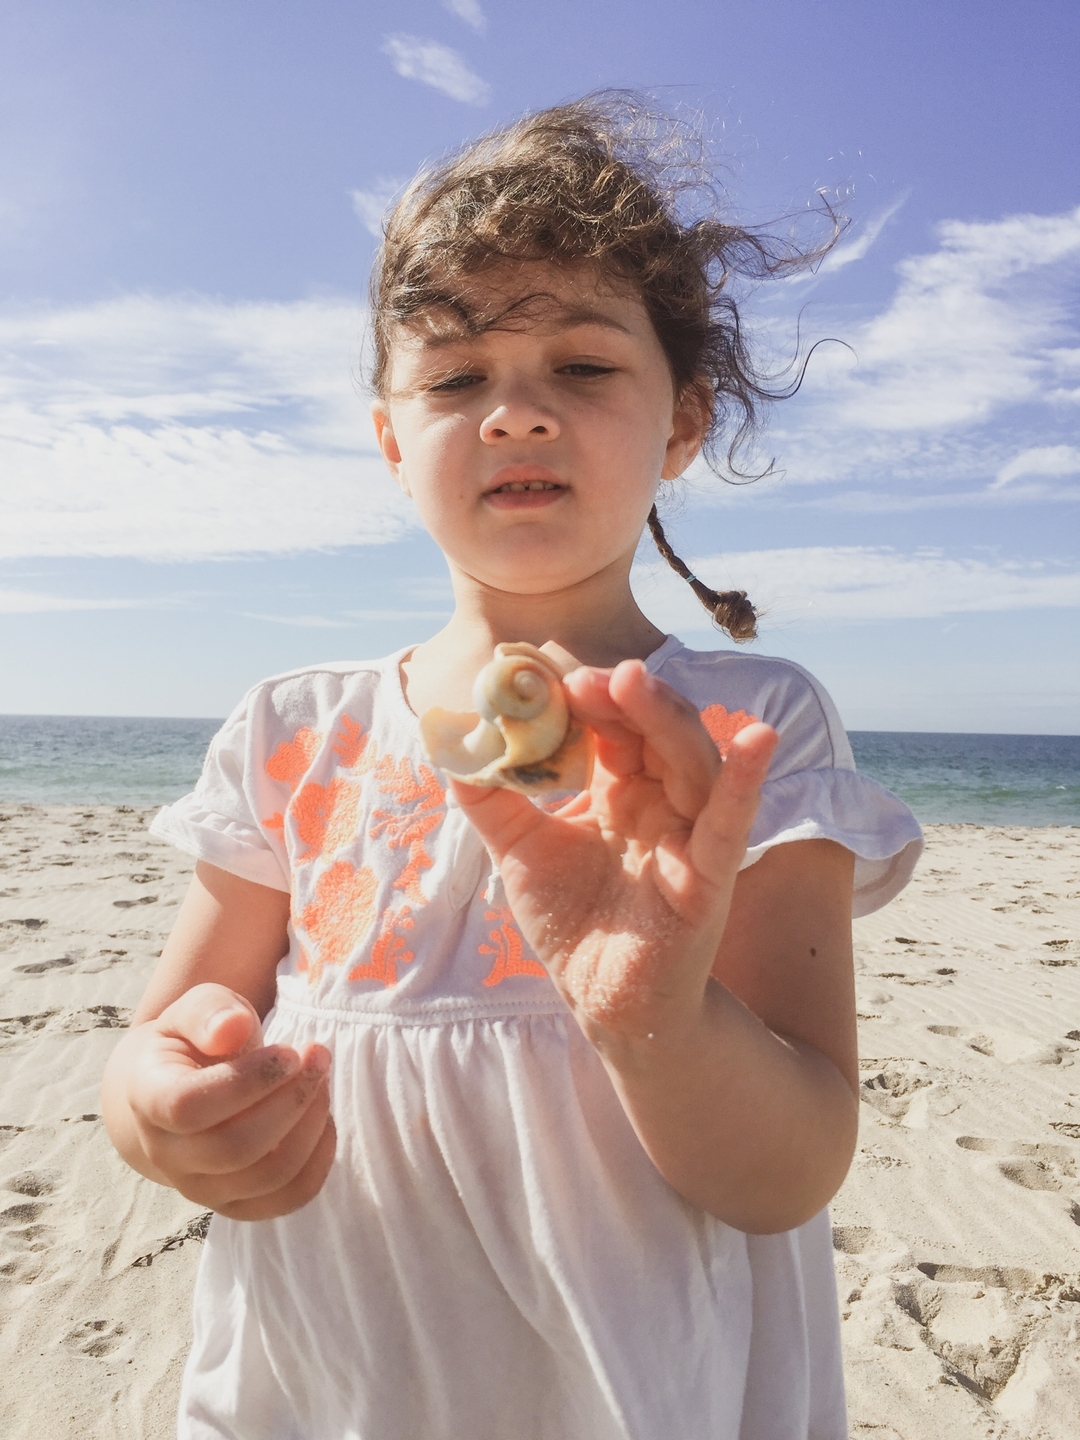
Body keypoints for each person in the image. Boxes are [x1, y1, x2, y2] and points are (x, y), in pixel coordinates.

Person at [102, 93, 923, 1440]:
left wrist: (656, 1022)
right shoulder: (292, 728)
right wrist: (163, 1110)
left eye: (583, 367)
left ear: (683, 423)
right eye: (454, 378)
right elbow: (165, 1035)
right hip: (317, 1390)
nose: (516, 415)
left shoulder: (746, 731)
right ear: (391, 437)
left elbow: (792, 1171)